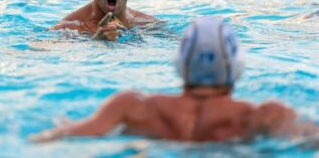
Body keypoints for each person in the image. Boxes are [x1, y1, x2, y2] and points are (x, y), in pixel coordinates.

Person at [30, 17, 319, 143]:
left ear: (181, 63)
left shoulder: (133, 107)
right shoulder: (263, 116)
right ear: (236, 66)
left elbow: (61, 138)